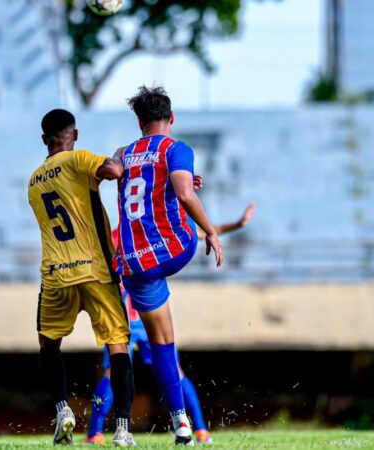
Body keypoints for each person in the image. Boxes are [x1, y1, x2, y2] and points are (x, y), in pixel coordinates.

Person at [86, 204, 256, 445]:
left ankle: (95, 433)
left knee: (114, 374)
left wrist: (236, 225)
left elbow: (204, 230)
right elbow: (203, 231)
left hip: (123, 318)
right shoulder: (154, 234)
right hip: (148, 316)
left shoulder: (117, 237)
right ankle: (199, 430)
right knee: (173, 371)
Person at [114, 85, 223, 445]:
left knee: (163, 341)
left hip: (134, 264)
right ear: (171, 118)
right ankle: (185, 423)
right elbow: (183, 193)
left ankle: (180, 423)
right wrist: (210, 231)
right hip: (175, 250)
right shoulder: (177, 149)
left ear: (139, 121)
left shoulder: (123, 153)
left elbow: (123, 175)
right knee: (186, 219)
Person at [27, 109, 136, 446]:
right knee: (117, 346)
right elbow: (115, 171)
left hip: (55, 276)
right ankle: (122, 429)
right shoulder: (79, 159)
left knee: (48, 344)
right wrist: (118, 155)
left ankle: (62, 410)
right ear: (75, 135)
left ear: (44, 140)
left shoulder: (33, 180)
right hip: (96, 271)